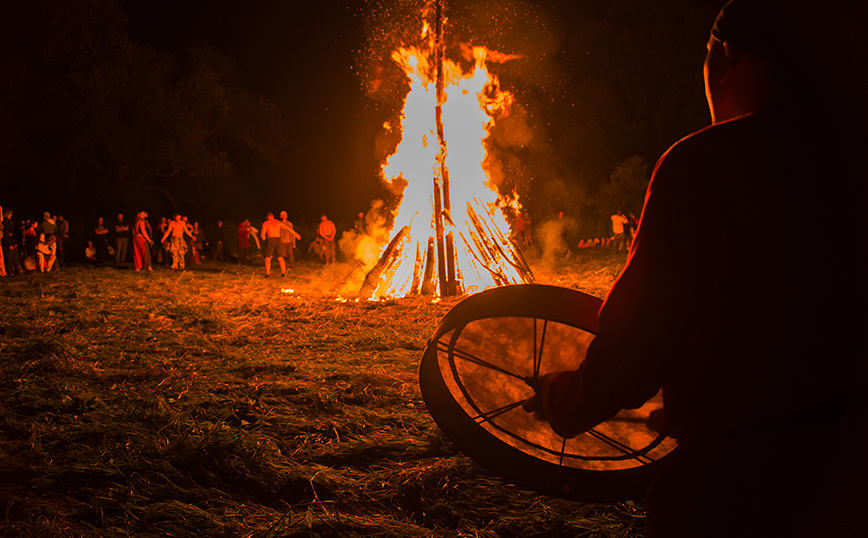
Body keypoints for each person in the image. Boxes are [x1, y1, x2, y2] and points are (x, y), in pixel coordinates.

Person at [525, 2, 868, 537]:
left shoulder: (704, 164)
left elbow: (638, 341)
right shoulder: (848, 153)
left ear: (728, 59)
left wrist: (568, 400)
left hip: (742, 493)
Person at [260, 212, 299, 277]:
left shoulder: (266, 223)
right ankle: (283, 273)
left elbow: (262, 235)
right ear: (272, 216)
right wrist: (295, 233)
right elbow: (288, 228)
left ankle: (268, 274)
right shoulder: (277, 222)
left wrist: (265, 240)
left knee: (268, 258)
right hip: (278, 240)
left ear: (267, 217)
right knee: (280, 257)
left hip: (271, 240)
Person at [2, 208, 20, 276]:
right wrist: (9, 243)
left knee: (14, 256)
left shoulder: (9, 221)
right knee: (9, 257)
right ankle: (10, 271)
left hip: (12, 240)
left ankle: (16, 269)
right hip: (9, 241)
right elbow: (6, 233)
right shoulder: (6, 222)